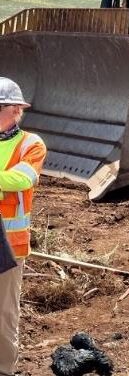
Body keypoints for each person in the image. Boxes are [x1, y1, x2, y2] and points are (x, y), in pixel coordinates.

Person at [0, 77, 47, 376]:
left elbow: (22, 179)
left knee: (3, 314)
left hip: (9, 245)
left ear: (16, 110)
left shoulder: (31, 144)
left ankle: (3, 369)